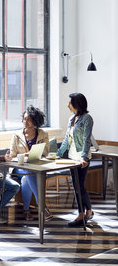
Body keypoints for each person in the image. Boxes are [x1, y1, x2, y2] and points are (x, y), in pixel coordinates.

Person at [57, 93, 94, 227]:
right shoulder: (72, 118)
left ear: (77, 104)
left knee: (80, 186)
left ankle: (82, 214)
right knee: (76, 186)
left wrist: (84, 157)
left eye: (70, 103)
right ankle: (87, 211)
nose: (68, 105)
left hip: (82, 158)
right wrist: (59, 153)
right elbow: (67, 139)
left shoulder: (87, 119)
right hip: (72, 157)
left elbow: (86, 139)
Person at [10, 105, 52, 221]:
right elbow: (12, 156)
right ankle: (42, 206)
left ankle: (26, 210)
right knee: (28, 172)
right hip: (19, 167)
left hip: (36, 166)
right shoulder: (17, 135)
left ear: (35, 120)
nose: (25, 122)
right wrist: (24, 156)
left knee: (26, 179)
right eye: (24, 119)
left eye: (28, 119)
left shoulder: (43, 134)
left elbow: (46, 152)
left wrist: (34, 153)